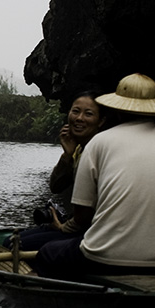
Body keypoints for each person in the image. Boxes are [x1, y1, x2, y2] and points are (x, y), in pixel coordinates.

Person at [35, 73, 155, 279]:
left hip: (102, 259)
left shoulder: (98, 143)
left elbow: (82, 216)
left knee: (47, 253)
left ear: (116, 111)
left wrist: (63, 228)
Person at [15, 90, 106, 252]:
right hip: (76, 226)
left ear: (101, 121)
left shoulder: (100, 152)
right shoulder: (78, 149)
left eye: (89, 114)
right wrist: (67, 155)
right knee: (15, 239)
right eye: (75, 111)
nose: (79, 118)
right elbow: (55, 187)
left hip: (92, 231)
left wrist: (62, 227)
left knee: (14, 244)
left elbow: (84, 217)